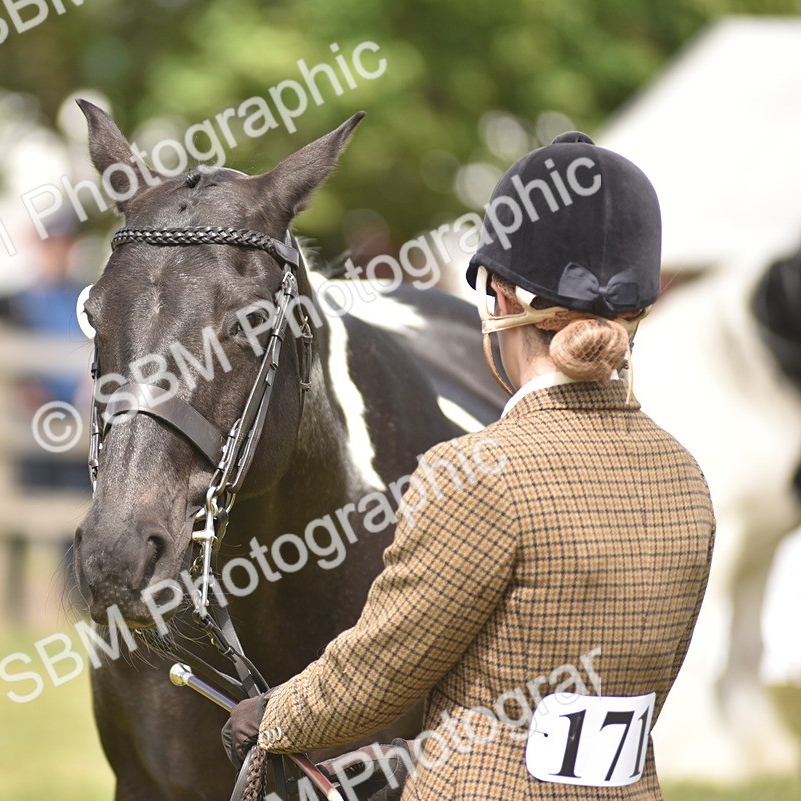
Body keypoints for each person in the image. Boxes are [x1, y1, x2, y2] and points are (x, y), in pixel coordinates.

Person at [222, 133, 716, 801]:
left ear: (505, 298)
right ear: (638, 309)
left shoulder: (477, 472)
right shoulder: (685, 474)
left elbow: (378, 671)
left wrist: (273, 716)